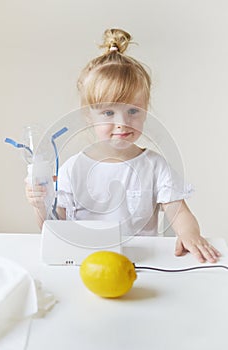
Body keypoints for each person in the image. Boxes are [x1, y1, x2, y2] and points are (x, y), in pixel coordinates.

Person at [26, 28, 220, 263]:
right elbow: (54, 229)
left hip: (140, 264)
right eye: (108, 112)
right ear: (89, 116)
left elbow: (179, 213)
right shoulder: (72, 169)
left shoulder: (155, 166)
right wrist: (41, 205)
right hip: (85, 264)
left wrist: (190, 234)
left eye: (133, 111)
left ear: (145, 111)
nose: (122, 123)